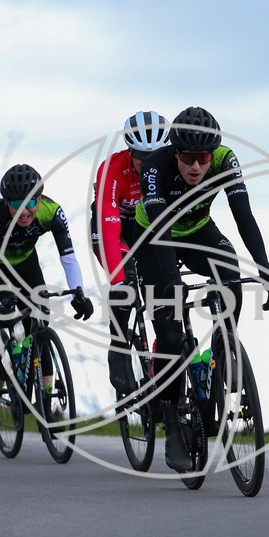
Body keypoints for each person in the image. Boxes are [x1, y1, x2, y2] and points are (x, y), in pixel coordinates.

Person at [133, 106, 269, 472]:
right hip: (155, 238)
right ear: (176, 152)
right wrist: (172, 280)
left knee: (231, 278)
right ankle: (170, 424)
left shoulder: (225, 160)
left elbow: (242, 214)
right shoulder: (156, 167)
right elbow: (160, 229)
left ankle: (221, 353)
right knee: (169, 332)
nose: (196, 167)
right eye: (188, 158)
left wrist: (264, 266)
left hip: (199, 230)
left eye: (203, 158)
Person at [0, 163, 94, 400]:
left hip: (26, 262)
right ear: (6, 202)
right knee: (3, 312)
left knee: (41, 321)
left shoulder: (52, 212)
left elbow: (68, 259)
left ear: (39, 199)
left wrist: (79, 293)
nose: (23, 211)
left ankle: (46, 398)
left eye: (29, 203)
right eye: (16, 204)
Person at [91, 111, 171, 394]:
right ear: (130, 150)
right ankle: (119, 344)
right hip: (114, 228)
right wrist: (118, 280)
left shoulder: (172, 167)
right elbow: (109, 230)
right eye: (141, 156)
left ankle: (162, 360)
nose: (148, 163)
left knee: (162, 294)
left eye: (155, 156)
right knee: (125, 287)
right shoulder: (112, 169)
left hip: (146, 228)